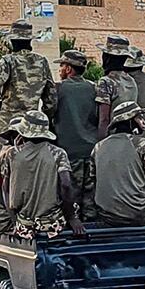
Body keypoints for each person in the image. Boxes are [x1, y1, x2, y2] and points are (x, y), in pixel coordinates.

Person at [0, 110, 81, 239]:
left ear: (23, 132)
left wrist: (14, 219)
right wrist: (72, 217)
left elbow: (5, 189)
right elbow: (66, 185)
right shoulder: (58, 153)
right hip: (52, 224)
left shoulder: (10, 155)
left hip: (24, 226)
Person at [92, 99, 145, 226]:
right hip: (139, 213)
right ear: (130, 121)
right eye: (139, 117)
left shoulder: (98, 147)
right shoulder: (141, 144)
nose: (144, 121)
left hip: (107, 216)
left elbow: (93, 184)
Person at [52, 49, 100, 213]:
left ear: (68, 69)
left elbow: (49, 114)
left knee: (70, 201)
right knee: (90, 203)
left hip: (69, 154)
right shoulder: (94, 88)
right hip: (92, 152)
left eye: (62, 66)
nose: (60, 70)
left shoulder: (58, 89)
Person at [95, 34, 138, 134]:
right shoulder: (131, 81)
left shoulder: (106, 82)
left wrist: (101, 144)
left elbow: (104, 119)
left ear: (107, 58)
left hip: (113, 136)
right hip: (128, 135)